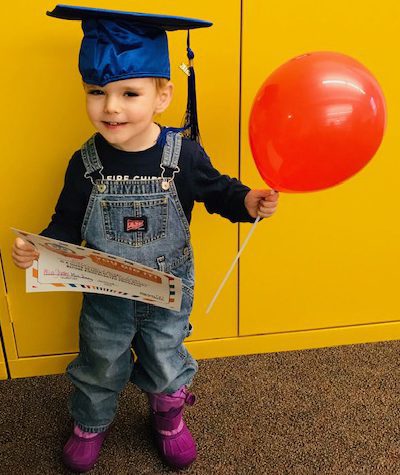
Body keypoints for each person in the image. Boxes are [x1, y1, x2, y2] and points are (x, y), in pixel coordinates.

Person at [11, 4, 279, 473]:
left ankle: (168, 415)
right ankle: (90, 423)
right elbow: (66, 222)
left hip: (167, 297)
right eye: (97, 92)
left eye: (129, 93)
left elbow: (219, 191)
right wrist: (41, 247)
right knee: (100, 362)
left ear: (162, 95)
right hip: (105, 296)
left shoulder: (184, 155)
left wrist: (248, 202)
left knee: (166, 359)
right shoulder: (84, 162)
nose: (110, 107)